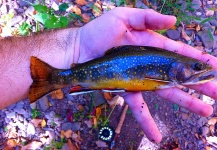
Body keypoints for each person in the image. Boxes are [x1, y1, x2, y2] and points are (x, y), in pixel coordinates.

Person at [1, 7, 217, 143]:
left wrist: (73, 45)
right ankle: (53, 77)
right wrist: (74, 44)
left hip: (108, 71)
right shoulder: (165, 75)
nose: (201, 71)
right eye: (196, 68)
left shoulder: (167, 71)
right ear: (178, 66)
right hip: (109, 70)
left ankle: (54, 77)